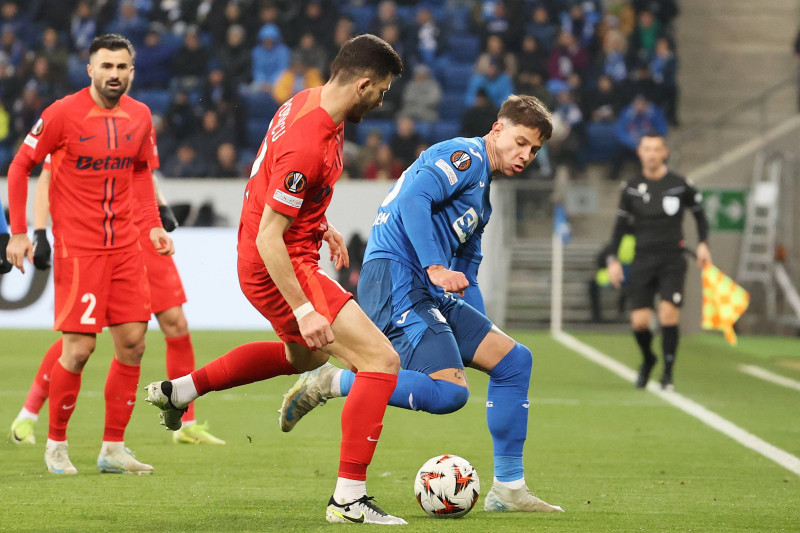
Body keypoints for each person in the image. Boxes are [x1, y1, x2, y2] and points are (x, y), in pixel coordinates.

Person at [144, 34, 406, 525]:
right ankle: (348, 499)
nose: (381, 100)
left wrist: (319, 223)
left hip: (275, 252)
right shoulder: (309, 140)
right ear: (363, 83)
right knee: (380, 360)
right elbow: (272, 236)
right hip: (278, 261)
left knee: (302, 356)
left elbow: (279, 188)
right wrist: (306, 309)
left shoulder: (310, 103)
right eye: (383, 91)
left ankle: (180, 391)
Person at [280, 94, 565, 514]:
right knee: (450, 394)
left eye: (534, 150)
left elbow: (465, 275)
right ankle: (330, 381)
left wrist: (477, 333)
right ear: (498, 129)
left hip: (425, 287)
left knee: (513, 361)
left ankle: (508, 490)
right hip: (396, 276)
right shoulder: (463, 156)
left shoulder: (482, 197)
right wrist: (434, 266)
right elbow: (414, 200)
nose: (526, 155)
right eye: (521, 142)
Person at [5, 34, 173, 475]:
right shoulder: (62, 113)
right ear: (90, 69)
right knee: (78, 350)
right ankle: (57, 444)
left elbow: (139, 172)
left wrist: (152, 224)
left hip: (125, 247)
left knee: (134, 345)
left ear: (132, 72)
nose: (114, 74)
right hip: (79, 251)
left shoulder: (140, 116)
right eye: (106, 66)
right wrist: (20, 232)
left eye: (122, 67)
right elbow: (20, 166)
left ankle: (112, 449)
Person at [10, 151, 224, 447]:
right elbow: (46, 176)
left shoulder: (137, 117)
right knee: (81, 338)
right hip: (100, 237)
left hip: (144, 231)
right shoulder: (75, 119)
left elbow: (144, 169)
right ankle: (28, 413)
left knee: (176, 323)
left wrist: (160, 204)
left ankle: (185, 423)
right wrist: (39, 230)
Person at [605, 133, 711, 390]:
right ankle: (648, 358)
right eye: (646, 149)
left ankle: (668, 373)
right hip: (642, 259)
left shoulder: (680, 184)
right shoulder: (630, 187)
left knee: (667, 315)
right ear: (640, 153)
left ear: (664, 153)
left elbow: (700, 216)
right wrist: (613, 259)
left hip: (672, 259)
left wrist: (704, 244)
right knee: (640, 322)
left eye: (656, 149)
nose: (651, 154)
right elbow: (619, 227)